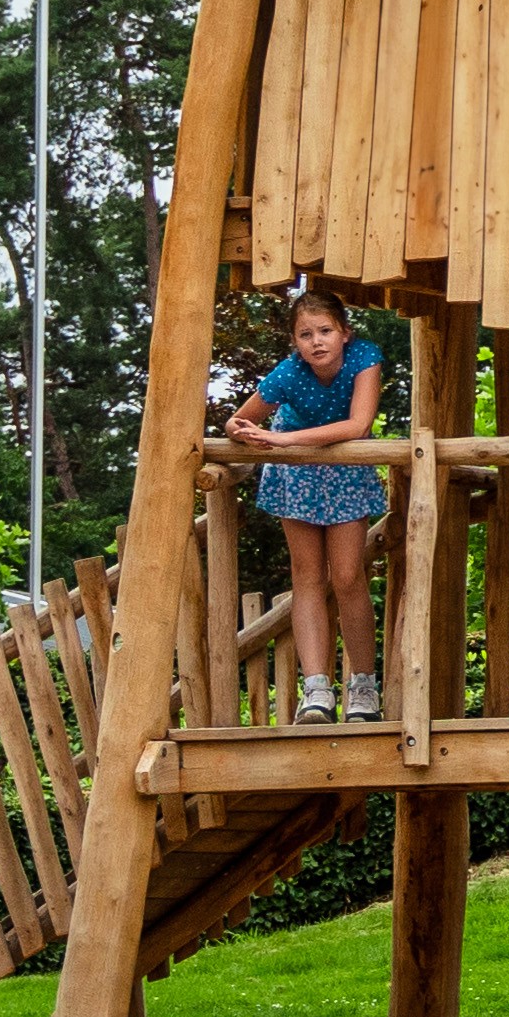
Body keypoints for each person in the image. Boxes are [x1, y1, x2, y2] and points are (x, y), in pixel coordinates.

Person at [217, 290, 390, 722]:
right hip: (297, 473)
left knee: (349, 575)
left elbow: (358, 424)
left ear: (344, 333)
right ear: (295, 342)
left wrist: (282, 440)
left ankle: (364, 687)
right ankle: (317, 691)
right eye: (305, 334)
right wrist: (244, 434)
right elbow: (237, 420)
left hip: (343, 465)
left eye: (325, 331)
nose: (317, 341)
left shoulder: (364, 358)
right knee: (307, 575)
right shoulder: (288, 373)